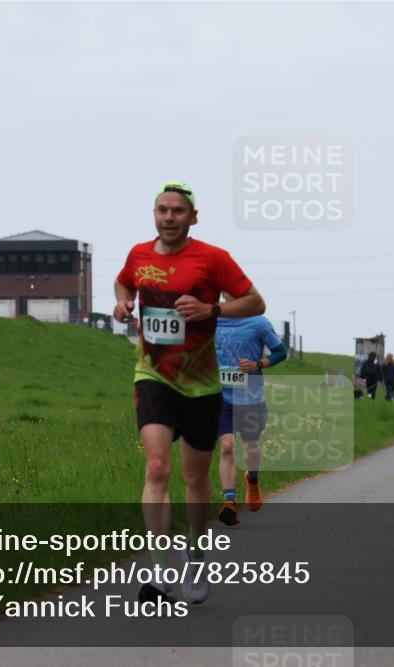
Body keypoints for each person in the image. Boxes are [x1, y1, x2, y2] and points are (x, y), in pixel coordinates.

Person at [114, 181, 265, 604]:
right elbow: (123, 282)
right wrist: (124, 303)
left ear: (192, 217)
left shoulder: (213, 259)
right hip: (153, 375)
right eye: (161, 210)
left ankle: (196, 552)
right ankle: (160, 572)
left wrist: (211, 309)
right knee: (157, 466)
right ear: (154, 214)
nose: (168, 217)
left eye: (177, 211)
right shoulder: (138, 255)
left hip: (201, 384)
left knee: (195, 478)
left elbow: (255, 301)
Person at [215, 308, 287, 526]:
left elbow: (280, 352)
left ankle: (252, 479)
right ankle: (229, 502)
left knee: (251, 448)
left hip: (251, 397)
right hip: (222, 397)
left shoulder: (258, 322)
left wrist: (258, 364)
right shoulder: (213, 320)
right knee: (227, 447)